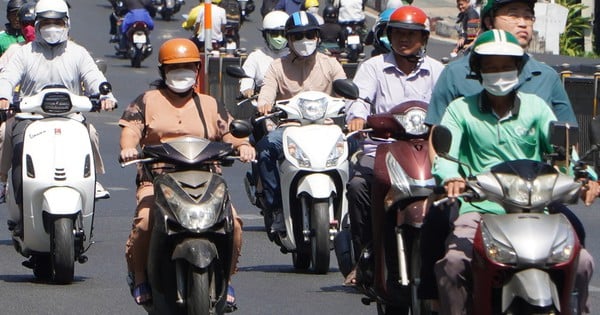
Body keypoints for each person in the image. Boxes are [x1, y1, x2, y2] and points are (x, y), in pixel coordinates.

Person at [418, 0, 586, 310]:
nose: (499, 73)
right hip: (480, 207)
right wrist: (452, 178)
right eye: (490, 67)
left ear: (520, 69)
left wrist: (584, 177)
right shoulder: (460, 109)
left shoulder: (537, 107)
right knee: (453, 264)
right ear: (477, 71)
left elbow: (564, 151)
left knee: (583, 261)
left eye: (507, 65)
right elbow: (444, 152)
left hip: (538, 209)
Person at [119, 38, 254, 307]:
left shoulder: (210, 103)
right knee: (145, 222)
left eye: (187, 67)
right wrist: (129, 148)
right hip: (158, 178)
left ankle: (227, 278)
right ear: (163, 71)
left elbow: (229, 133)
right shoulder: (147, 101)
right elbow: (131, 130)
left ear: (197, 69)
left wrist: (243, 146)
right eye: (174, 68)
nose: (181, 72)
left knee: (234, 225)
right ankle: (140, 275)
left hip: (206, 178)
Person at [343, 5, 444, 286]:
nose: (404, 39)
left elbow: (451, 106)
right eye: (398, 33)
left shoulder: (438, 71)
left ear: (423, 39)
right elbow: (359, 98)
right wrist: (358, 116)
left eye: (411, 34)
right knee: (359, 186)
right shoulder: (373, 67)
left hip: (428, 152)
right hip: (381, 149)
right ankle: (367, 255)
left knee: (453, 189)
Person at [0, 0, 116, 212]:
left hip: (70, 117)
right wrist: (3, 97)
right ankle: (8, 185)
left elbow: (94, 76)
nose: (51, 27)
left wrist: (105, 94)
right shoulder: (24, 53)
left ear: (67, 23)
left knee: (90, 134)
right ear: (37, 24)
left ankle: (93, 180)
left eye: (57, 22)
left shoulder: (78, 53)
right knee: (8, 134)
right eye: (46, 22)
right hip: (30, 119)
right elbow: (7, 78)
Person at [255, 11, 347, 232]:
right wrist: (265, 103)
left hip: (327, 128)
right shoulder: (277, 67)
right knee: (265, 150)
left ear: (318, 37)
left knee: (356, 151)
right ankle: (276, 207)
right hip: (289, 130)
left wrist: (352, 107)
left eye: (309, 35)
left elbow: (346, 89)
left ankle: (348, 209)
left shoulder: (331, 65)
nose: (304, 41)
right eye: (298, 36)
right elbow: (267, 92)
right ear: (289, 39)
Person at [239, 10, 289, 99]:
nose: (279, 38)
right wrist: (247, 89)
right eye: (275, 34)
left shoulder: (295, 56)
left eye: (283, 34)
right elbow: (247, 77)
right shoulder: (255, 57)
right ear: (265, 35)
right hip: (264, 104)